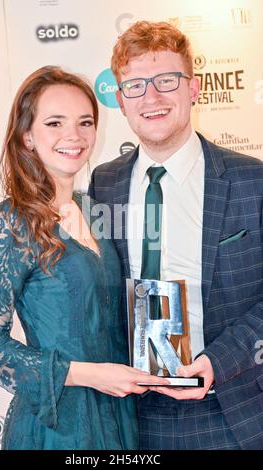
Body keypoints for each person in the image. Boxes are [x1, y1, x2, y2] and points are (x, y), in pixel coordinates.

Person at [0, 65, 167, 450]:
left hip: (119, 416)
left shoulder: (94, 209)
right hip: (59, 424)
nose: (73, 136)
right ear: (27, 136)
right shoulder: (13, 220)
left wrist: (165, 363)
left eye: (84, 122)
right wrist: (89, 375)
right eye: (55, 123)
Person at [88, 21, 263, 450]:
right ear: (121, 101)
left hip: (232, 409)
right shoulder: (102, 183)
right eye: (135, 86)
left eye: (167, 80)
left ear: (194, 89)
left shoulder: (252, 180)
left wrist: (217, 362)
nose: (151, 97)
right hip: (134, 414)